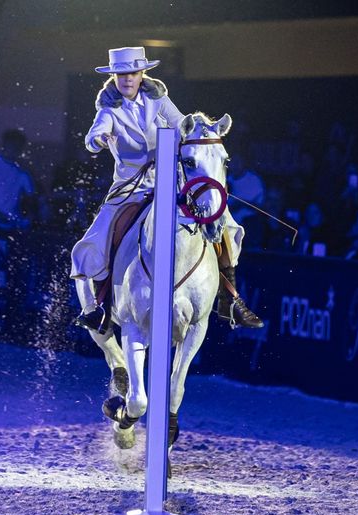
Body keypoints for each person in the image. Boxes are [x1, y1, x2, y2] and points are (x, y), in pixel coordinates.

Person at [71, 46, 263, 332]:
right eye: (121, 74)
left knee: (223, 223)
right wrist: (98, 140)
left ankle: (231, 299)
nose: (127, 79)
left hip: (169, 181)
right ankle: (100, 305)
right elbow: (93, 135)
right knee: (101, 237)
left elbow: (182, 125)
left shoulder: (158, 98)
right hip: (131, 187)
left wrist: (203, 134)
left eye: (132, 73)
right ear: (114, 77)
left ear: (141, 74)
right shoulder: (108, 108)